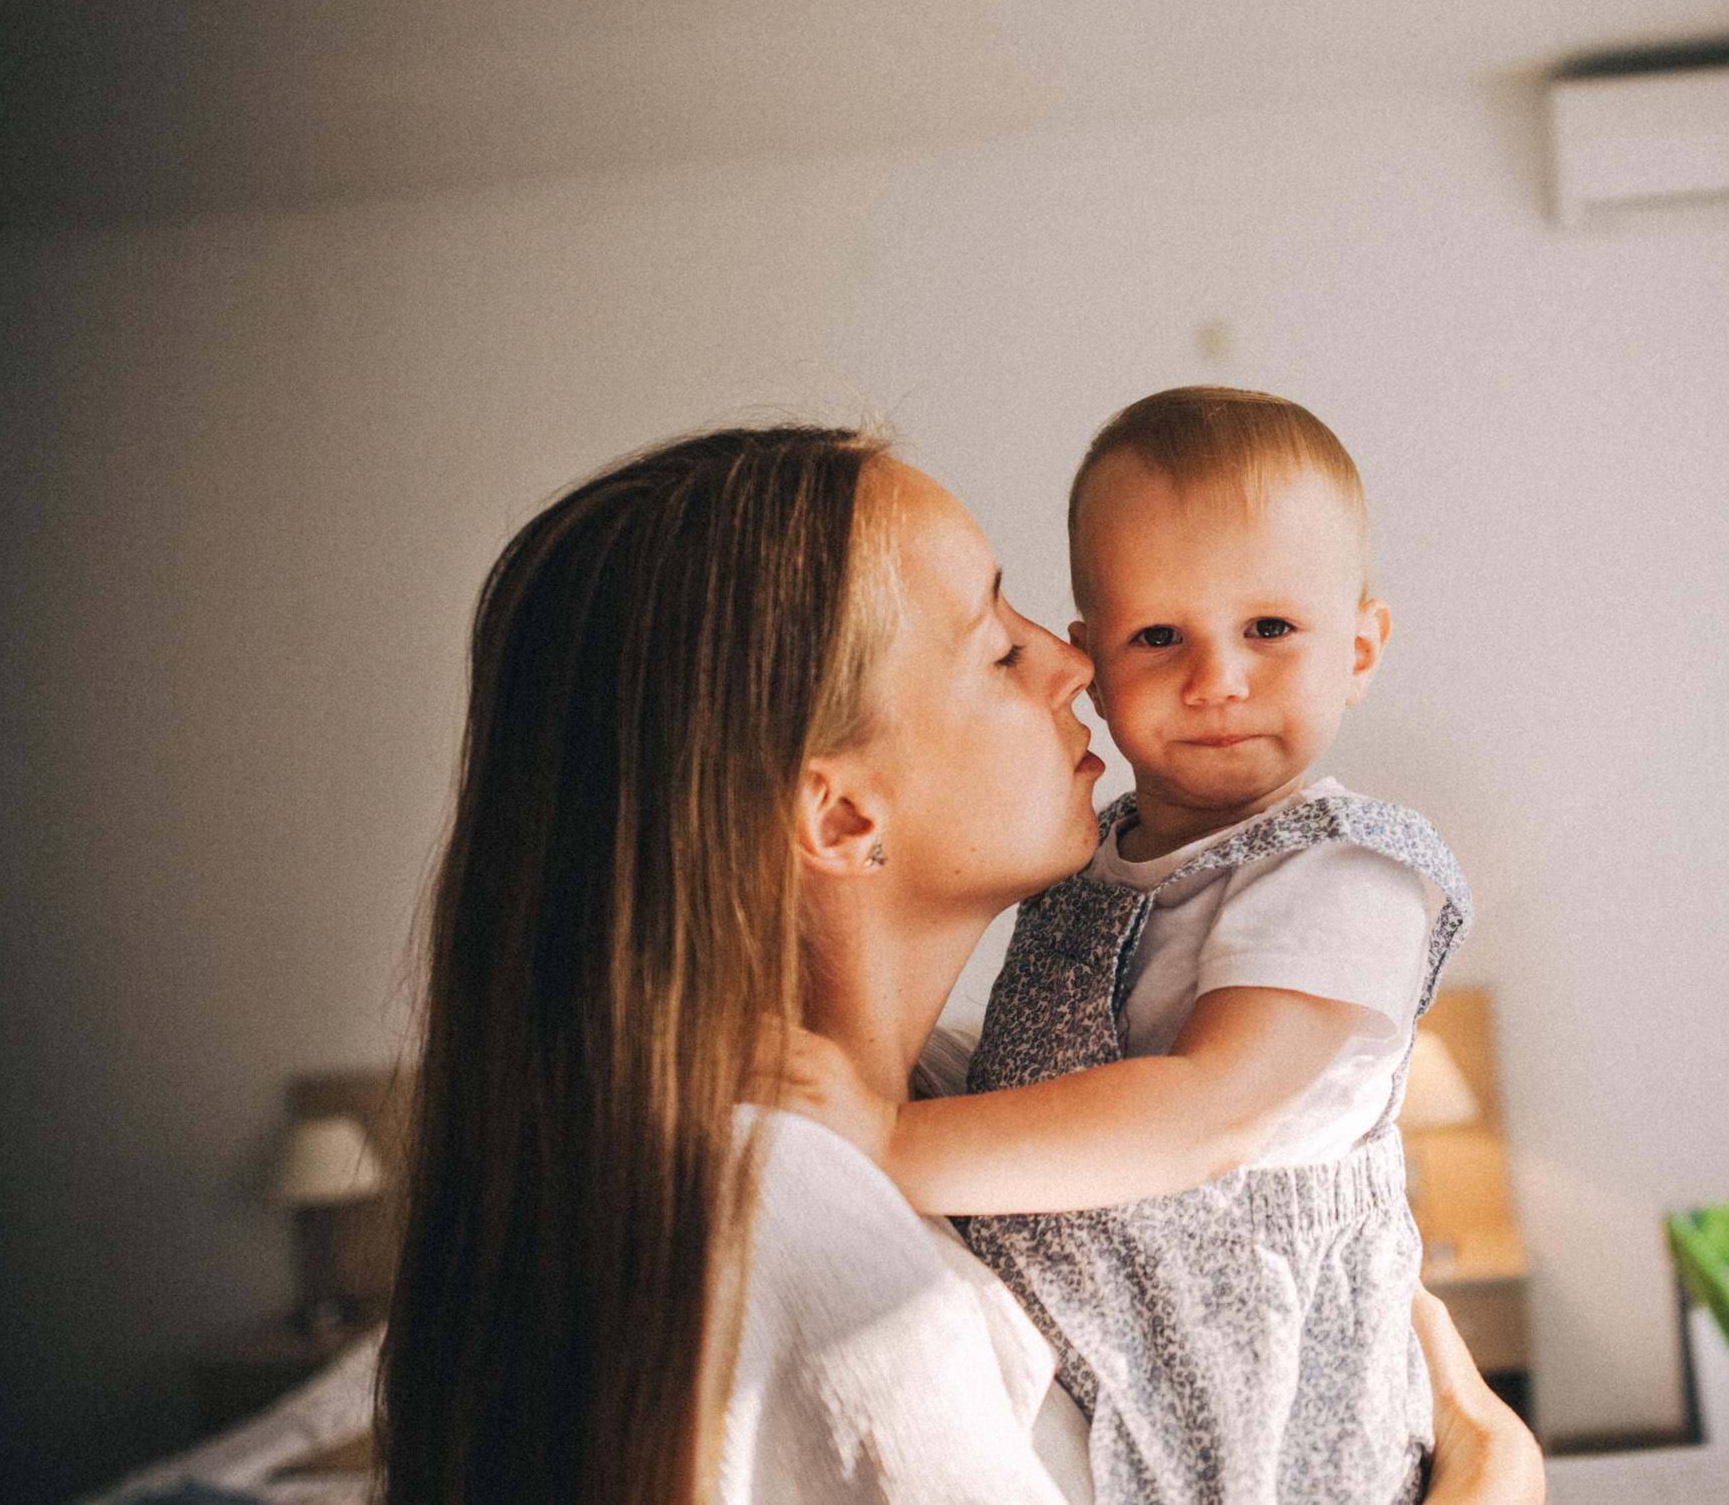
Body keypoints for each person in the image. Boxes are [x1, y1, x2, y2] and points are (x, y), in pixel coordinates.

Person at [377, 424, 1540, 1505]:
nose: (1073, 664)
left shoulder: (941, 1101)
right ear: (841, 818)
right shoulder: (806, 1200)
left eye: (1270, 629)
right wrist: (1496, 1474)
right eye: (996, 647)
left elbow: (1212, 1108)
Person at [781, 390, 1466, 1505]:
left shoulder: (1340, 872)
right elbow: (1046, 1088)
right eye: (1158, 637)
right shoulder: (1095, 871)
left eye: (1270, 629)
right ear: (1097, 660)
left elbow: (1210, 1107)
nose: (1217, 678)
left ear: (1359, 649)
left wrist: (886, 1139)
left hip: (1272, 1392)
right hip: (1122, 1357)